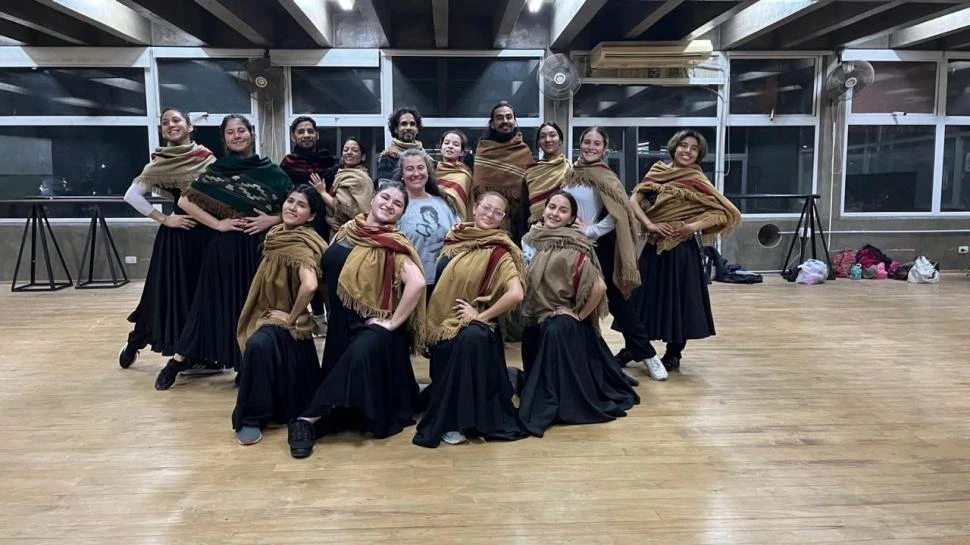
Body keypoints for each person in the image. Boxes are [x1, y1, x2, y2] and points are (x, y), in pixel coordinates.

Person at [287, 181, 425, 458]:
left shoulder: (394, 245)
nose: (389, 205)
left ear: (400, 215)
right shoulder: (345, 232)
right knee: (346, 392)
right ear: (372, 200)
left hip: (373, 328)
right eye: (385, 198)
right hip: (341, 324)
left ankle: (306, 421)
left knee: (360, 354)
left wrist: (392, 323)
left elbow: (418, 283)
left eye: (397, 204)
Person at [154, 114, 293, 390]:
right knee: (208, 304)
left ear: (251, 134)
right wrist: (218, 223)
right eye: (231, 132)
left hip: (259, 248)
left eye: (242, 130)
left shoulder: (272, 171)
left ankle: (246, 363)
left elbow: (296, 208)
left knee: (251, 307)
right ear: (224, 139)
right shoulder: (217, 171)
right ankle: (178, 361)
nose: (237, 135)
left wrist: (272, 219)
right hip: (224, 248)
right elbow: (185, 200)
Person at [518, 191, 639, 437]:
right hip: (535, 317)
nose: (555, 213)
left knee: (556, 328)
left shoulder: (575, 244)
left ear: (572, 218)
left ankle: (562, 399)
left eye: (563, 210)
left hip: (562, 323)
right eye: (552, 207)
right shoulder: (531, 239)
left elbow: (599, 287)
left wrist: (578, 315)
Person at [413, 191, 527, 448]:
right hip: (443, 323)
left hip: (473, 328)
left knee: (470, 338)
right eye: (486, 208)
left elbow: (516, 293)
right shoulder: (456, 237)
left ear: (503, 219)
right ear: (474, 209)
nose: (490, 214)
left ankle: (457, 419)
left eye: (497, 212)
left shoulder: (501, 250)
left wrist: (480, 316)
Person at [628, 129, 741, 373]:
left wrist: (691, 226)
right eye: (683, 145)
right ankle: (635, 347)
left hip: (681, 250)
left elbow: (724, 212)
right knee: (642, 300)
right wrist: (649, 224)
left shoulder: (697, 179)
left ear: (699, 154)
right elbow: (633, 201)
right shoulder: (658, 171)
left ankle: (673, 353)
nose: (687, 151)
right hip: (653, 245)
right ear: (674, 147)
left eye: (693, 148)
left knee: (679, 302)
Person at [118, 107, 216, 370]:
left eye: (176, 120)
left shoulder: (207, 157)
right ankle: (134, 342)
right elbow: (131, 196)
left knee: (198, 297)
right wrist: (165, 219)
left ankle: (196, 353)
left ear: (189, 126)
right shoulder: (160, 162)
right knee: (161, 294)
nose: (171, 125)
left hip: (206, 236)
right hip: (176, 238)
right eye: (165, 123)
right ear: (162, 130)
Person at [232, 185, 328, 445]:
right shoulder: (276, 234)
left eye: (301, 205)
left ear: (310, 216)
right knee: (259, 350)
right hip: (269, 313)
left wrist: (291, 317)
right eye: (290, 201)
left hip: (285, 319)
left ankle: (250, 419)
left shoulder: (302, 243)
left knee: (257, 345)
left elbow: (309, 285)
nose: (292, 207)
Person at [561, 127, 654, 378]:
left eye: (597, 143)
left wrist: (590, 231)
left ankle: (647, 354)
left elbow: (619, 215)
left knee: (616, 302)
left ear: (605, 149)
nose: (591, 147)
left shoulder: (606, 177)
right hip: (570, 246)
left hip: (597, 248)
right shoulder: (571, 174)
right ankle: (586, 355)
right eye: (587, 142)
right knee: (573, 300)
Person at [396, 148, 458, 289]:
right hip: (409, 285)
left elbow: (457, 237)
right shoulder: (396, 205)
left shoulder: (443, 202)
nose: (416, 173)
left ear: (427, 171)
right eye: (410, 169)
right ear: (402, 174)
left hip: (444, 282)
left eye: (420, 168)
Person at [471, 102, 533, 242]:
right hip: (486, 219)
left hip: (517, 222)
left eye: (509, 117)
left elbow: (528, 188)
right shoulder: (483, 150)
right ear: (492, 124)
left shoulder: (524, 151)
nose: (505, 121)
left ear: (515, 122)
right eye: (500, 118)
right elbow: (478, 185)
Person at [310, 136, 373, 240]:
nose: (349, 152)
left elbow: (352, 210)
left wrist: (322, 192)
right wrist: (327, 219)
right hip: (336, 231)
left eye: (355, 150)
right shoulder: (340, 175)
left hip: (352, 234)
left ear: (363, 157)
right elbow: (334, 208)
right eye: (346, 149)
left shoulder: (361, 179)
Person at [524, 122, 571, 225]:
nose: (548, 139)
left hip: (564, 227)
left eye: (552, 135)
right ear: (539, 143)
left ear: (560, 141)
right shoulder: (531, 172)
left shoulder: (571, 169)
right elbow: (524, 205)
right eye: (542, 137)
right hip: (537, 227)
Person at [435, 130, 473, 220]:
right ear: (441, 148)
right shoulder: (431, 172)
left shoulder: (464, 176)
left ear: (462, 152)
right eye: (446, 143)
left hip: (455, 221)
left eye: (455, 144)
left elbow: (457, 202)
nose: (450, 146)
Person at [376, 107, 422, 181]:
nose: (408, 127)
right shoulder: (388, 158)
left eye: (412, 124)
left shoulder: (425, 157)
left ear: (417, 129)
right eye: (404, 124)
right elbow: (385, 187)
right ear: (396, 129)